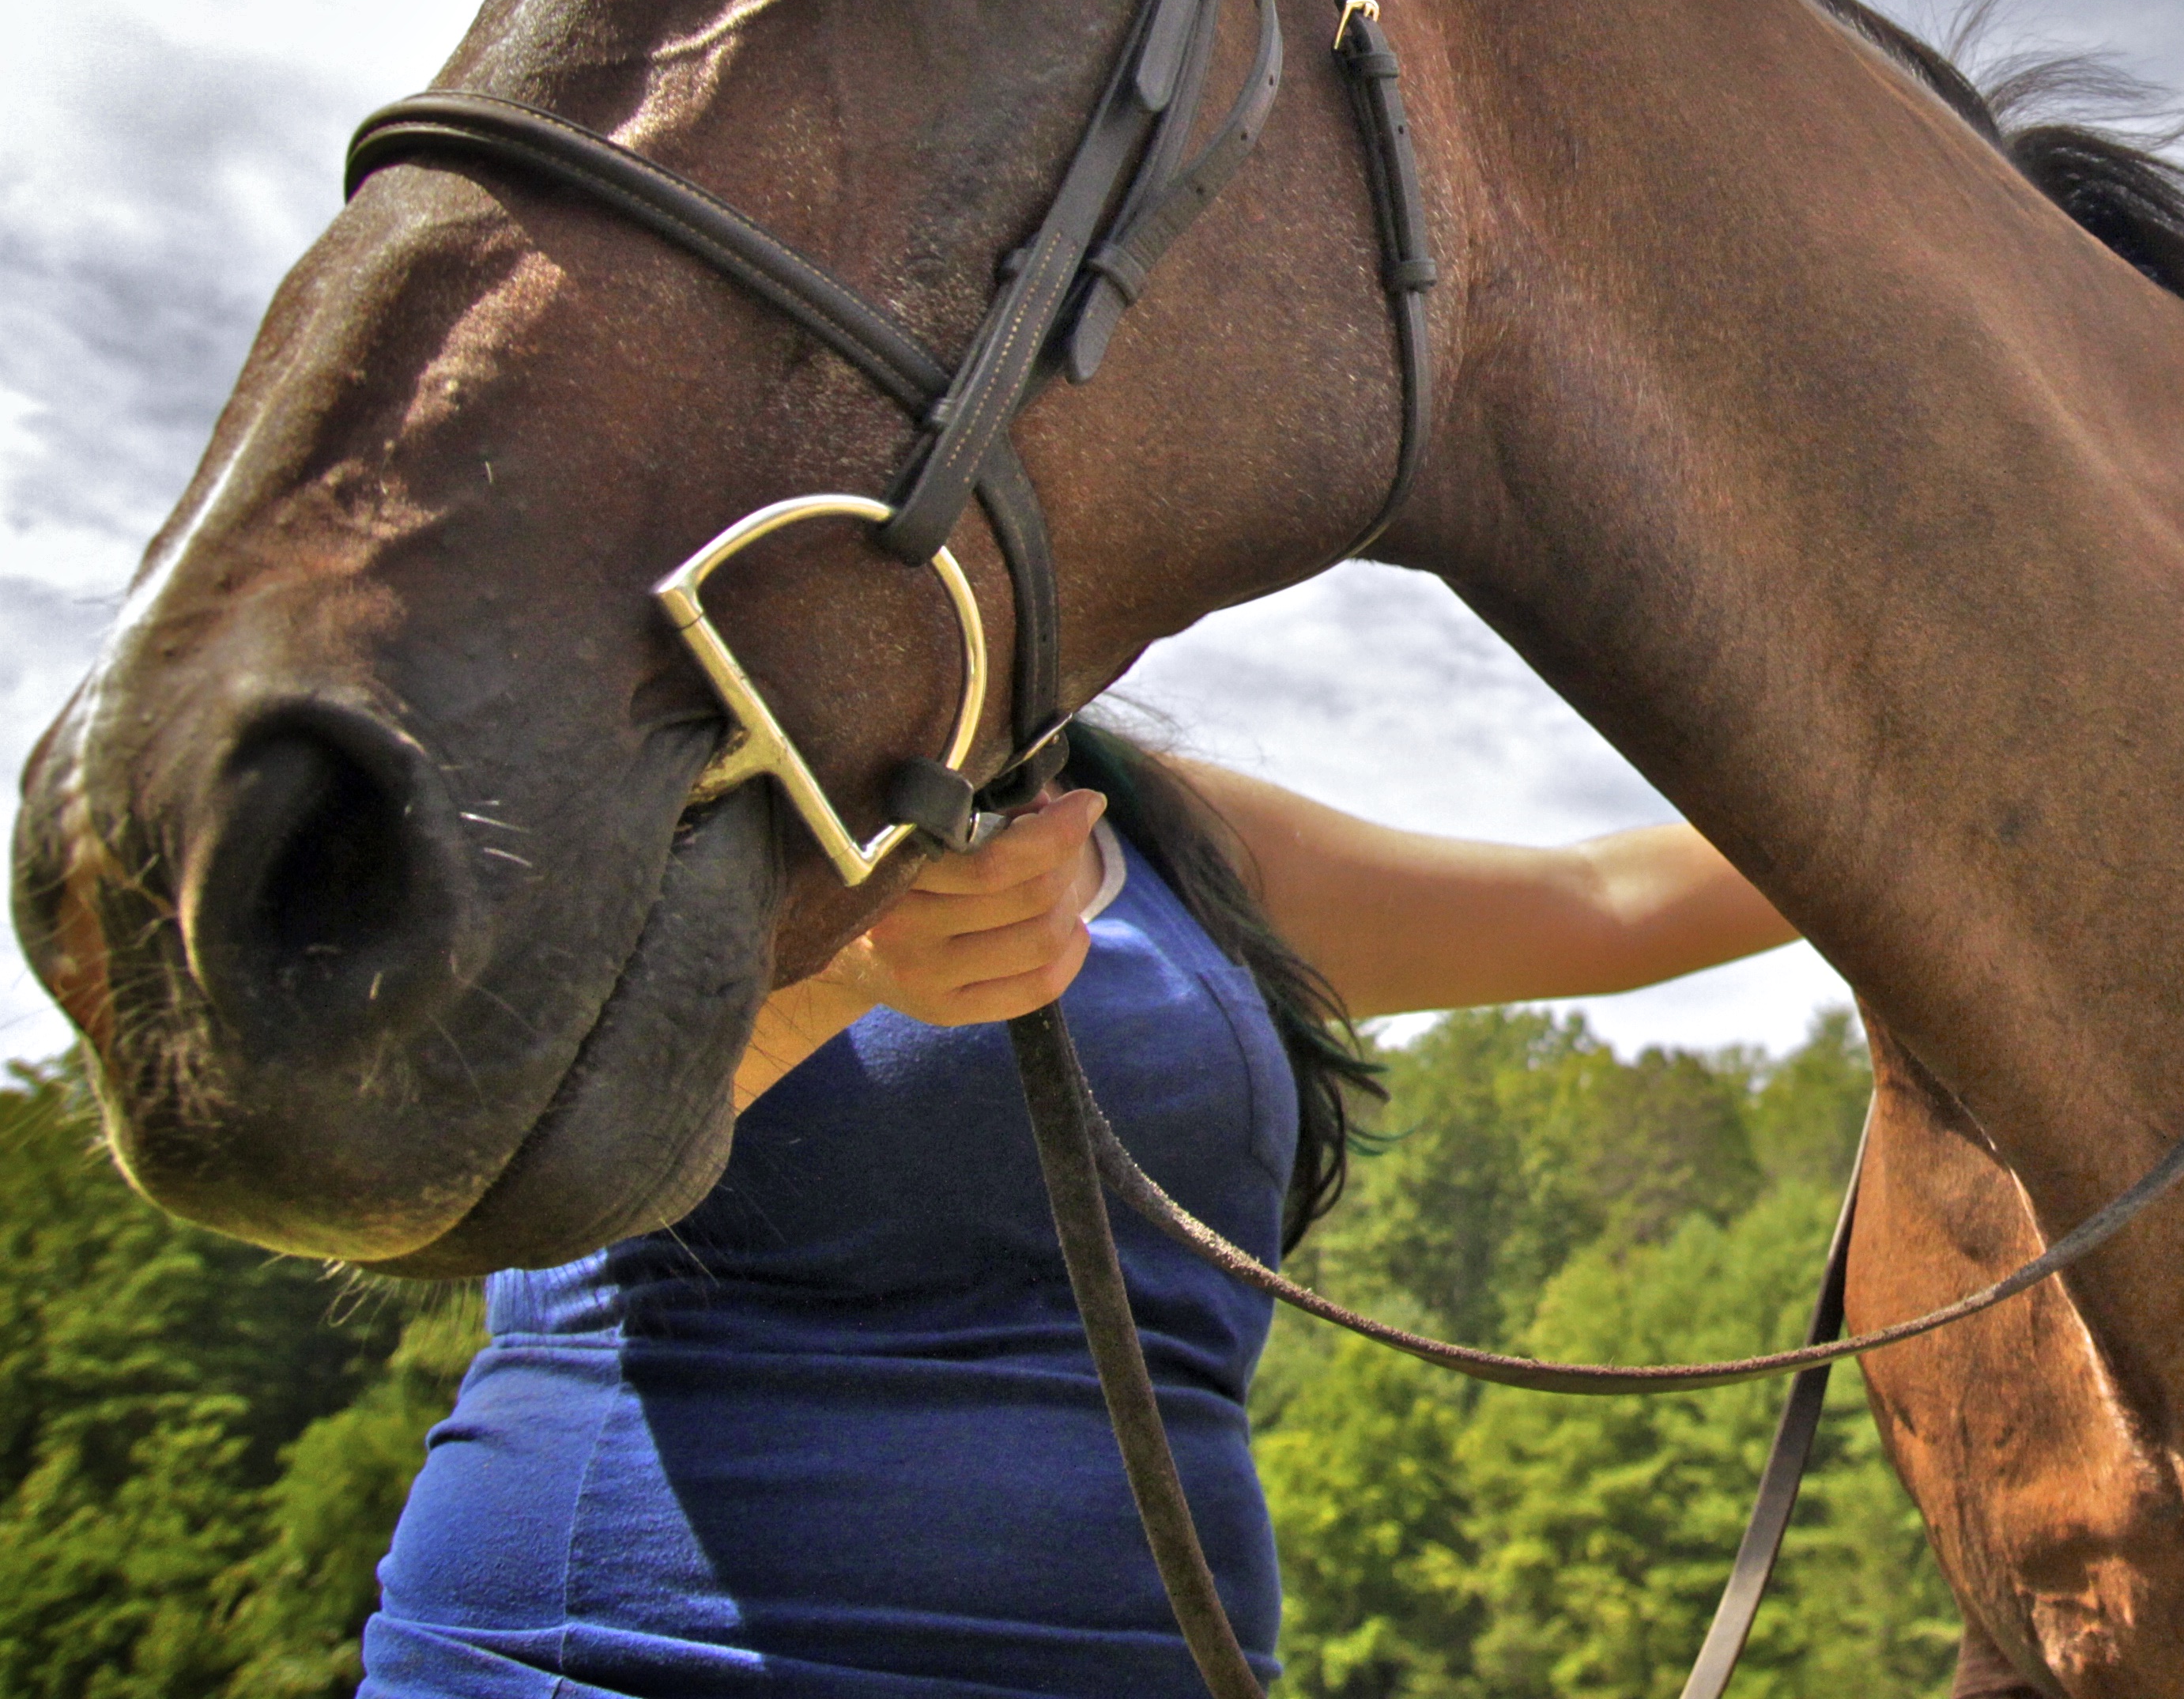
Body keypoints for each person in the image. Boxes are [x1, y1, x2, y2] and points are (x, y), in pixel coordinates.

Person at [364, 723, 1797, 1698]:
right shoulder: (642, 761)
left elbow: (1605, 900)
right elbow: (430, 1172)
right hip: (615, 1657)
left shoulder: (1174, 831)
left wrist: (1995, 757)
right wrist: (835, 969)